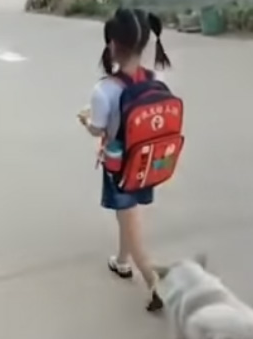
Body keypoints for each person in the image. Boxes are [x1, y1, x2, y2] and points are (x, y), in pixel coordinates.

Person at [78, 8, 172, 312]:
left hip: (120, 166)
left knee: (130, 222)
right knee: (127, 216)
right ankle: (122, 261)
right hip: (147, 161)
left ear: (112, 45)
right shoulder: (153, 78)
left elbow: (98, 129)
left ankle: (155, 283)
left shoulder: (104, 90)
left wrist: (85, 121)